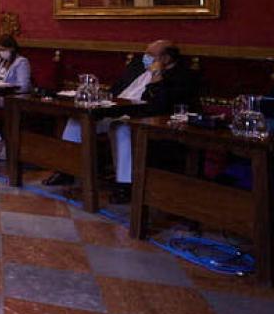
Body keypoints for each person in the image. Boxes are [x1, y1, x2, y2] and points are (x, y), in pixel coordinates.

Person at [56, 40, 198, 199]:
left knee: (120, 128)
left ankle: (125, 184)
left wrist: (157, 75)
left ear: (166, 58)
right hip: (113, 110)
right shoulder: (137, 68)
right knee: (77, 122)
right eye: (146, 53)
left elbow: (159, 105)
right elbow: (116, 90)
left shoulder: (182, 76)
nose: (146, 58)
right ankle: (66, 170)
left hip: (141, 117)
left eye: (151, 55)